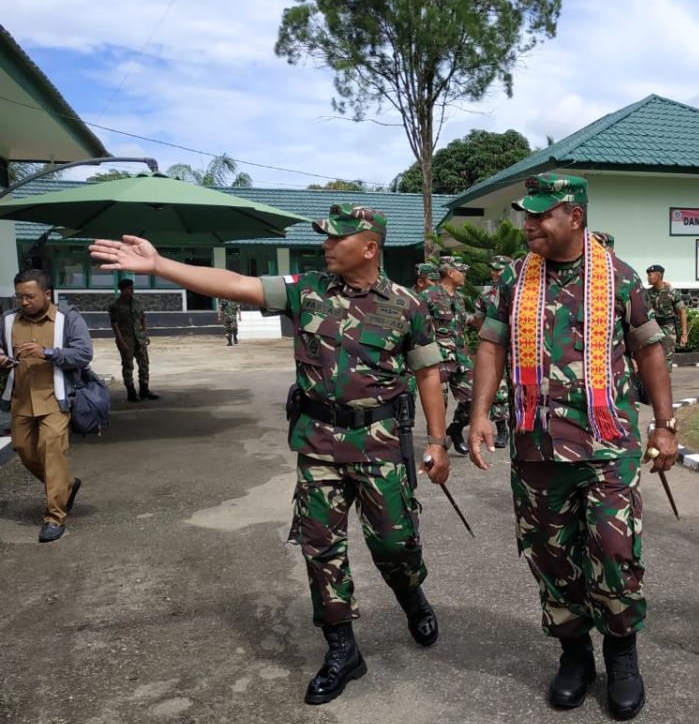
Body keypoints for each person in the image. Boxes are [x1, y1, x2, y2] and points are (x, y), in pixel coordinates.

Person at [88, 204, 451, 705]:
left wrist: (436, 441)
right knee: (320, 548)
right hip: (319, 444)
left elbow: (429, 373)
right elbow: (234, 283)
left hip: (381, 445)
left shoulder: (406, 304)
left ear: (369, 247)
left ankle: (411, 595)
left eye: (336, 238)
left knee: (394, 543)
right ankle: (343, 648)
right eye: (324, 237)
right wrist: (160, 266)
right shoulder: (306, 289)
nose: (326, 245)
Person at [467, 172, 677, 721]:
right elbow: (490, 345)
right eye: (526, 214)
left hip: (608, 446)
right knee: (551, 556)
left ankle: (622, 655)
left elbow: (650, 351)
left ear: (575, 217)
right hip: (537, 447)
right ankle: (574, 655)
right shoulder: (513, 278)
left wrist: (665, 424)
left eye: (541, 215)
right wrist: (480, 414)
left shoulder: (621, 278)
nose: (529, 224)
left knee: (614, 552)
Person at [0, 269, 92, 543]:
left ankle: (55, 516)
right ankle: (65, 486)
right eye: (19, 297)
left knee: (51, 451)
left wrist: (48, 353)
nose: (24, 302)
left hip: (55, 398)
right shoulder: (7, 320)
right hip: (21, 398)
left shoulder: (67, 319)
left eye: (29, 296)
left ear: (47, 294)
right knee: (23, 449)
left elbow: (84, 353)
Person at [422, 255, 473, 455]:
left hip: (461, 358)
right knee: (437, 408)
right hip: (438, 360)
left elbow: (460, 325)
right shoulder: (428, 296)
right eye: (462, 271)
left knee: (474, 400)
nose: (465, 275)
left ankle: (456, 428)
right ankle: (438, 446)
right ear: (450, 273)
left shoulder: (459, 299)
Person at [472, 255, 514, 448]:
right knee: (498, 390)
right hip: (495, 348)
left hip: (518, 352)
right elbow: (480, 322)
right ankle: (502, 429)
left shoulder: (518, 290)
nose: (496, 272)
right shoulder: (485, 296)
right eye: (493, 269)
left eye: (500, 269)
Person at [108, 277, 159, 402]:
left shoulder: (138, 303)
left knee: (144, 364)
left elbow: (143, 319)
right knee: (128, 365)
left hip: (139, 339)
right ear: (122, 290)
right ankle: (131, 392)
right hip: (126, 340)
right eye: (129, 288)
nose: (132, 290)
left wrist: (146, 334)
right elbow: (115, 325)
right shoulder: (115, 306)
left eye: (132, 288)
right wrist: (120, 341)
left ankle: (144, 390)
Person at [645, 265, 687, 371]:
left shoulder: (671, 292)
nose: (648, 278)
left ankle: (664, 386)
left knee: (666, 360)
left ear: (658, 276)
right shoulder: (647, 293)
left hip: (668, 329)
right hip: (652, 329)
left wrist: (684, 335)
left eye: (650, 275)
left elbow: (682, 312)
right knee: (651, 359)